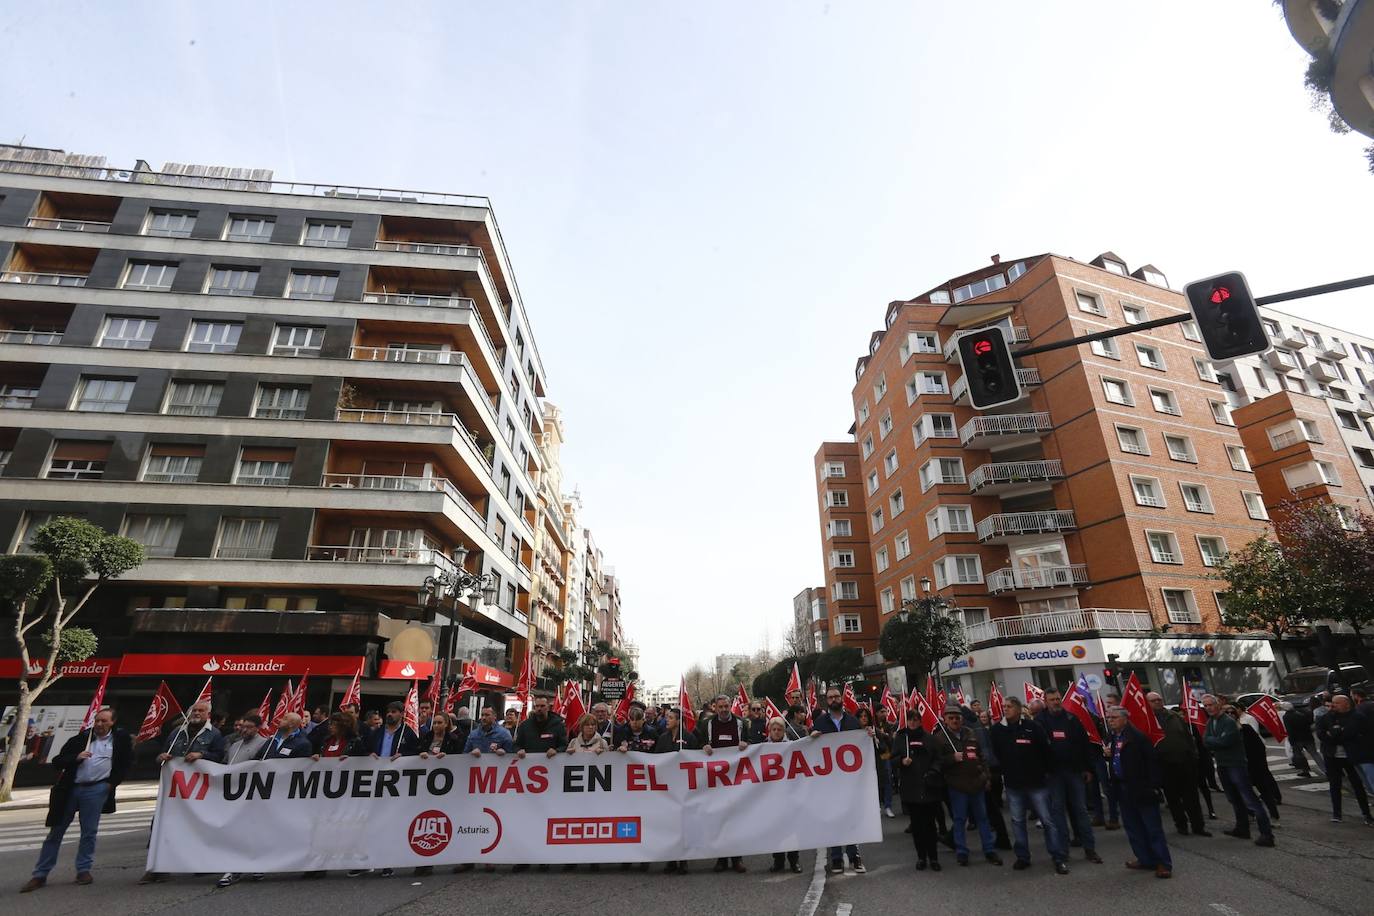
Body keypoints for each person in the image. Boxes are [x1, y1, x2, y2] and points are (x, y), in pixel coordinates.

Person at [22, 707, 132, 893]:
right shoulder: (81, 739)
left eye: (104, 721)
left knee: (89, 832)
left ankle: (83, 870)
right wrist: (76, 758)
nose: (99, 724)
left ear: (113, 722)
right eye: (97, 720)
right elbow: (58, 761)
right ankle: (40, 874)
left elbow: (125, 764)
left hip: (97, 788)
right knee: (56, 832)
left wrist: (111, 784)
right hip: (71, 789)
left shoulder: (119, 741)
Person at [141, 702, 225, 885]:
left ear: (207, 715)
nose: (196, 713)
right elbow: (164, 752)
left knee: (197, 826)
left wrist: (202, 756)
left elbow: (220, 757)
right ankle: (156, 867)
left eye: (201, 711)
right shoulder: (177, 732)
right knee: (160, 824)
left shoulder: (215, 735)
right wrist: (162, 757)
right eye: (194, 710)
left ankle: (199, 864)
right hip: (174, 790)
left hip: (199, 791)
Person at [992, 697, 1066, 874]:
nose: (1005, 709)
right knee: (1017, 821)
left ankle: (1058, 856)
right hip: (1013, 784)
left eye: (1009, 706)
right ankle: (1022, 856)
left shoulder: (1033, 727)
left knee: (1047, 821)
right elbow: (997, 753)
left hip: (1036, 783)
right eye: (1004, 706)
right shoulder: (997, 730)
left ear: (1018, 709)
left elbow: (1046, 751)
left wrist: (1045, 772)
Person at [1104, 707, 1172, 878]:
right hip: (1122, 788)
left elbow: (1152, 762)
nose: (1110, 720)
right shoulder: (1113, 737)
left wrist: (1153, 786)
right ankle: (1144, 858)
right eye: (1108, 717)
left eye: (1114, 717)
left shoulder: (1137, 737)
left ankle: (1163, 863)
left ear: (1125, 719)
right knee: (1133, 827)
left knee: (1152, 828)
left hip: (1141, 788)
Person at [1036, 690, 1102, 863]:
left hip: (1074, 772)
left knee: (1081, 810)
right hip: (1053, 774)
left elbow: (1084, 745)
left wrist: (1088, 768)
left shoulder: (1072, 719)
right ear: (1046, 702)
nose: (1056, 702)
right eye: (1052, 700)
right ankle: (1062, 851)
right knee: (1057, 812)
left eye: (1058, 699)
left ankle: (1090, 849)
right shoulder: (1039, 721)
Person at [1201, 695, 1274, 847]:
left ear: (1217, 705)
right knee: (1234, 798)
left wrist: (1213, 741)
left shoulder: (1228, 722)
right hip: (1222, 764)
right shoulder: (1211, 722)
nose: (1208, 708)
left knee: (1250, 799)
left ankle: (1267, 834)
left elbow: (1225, 741)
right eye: (1205, 706)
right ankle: (1242, 828)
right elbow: (1205, 741)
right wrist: (1214, 741)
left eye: (1210, 705)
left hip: (1236, 764)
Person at [936, 706, 1001, 868]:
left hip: (977, 784)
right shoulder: (940, 738)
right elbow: (937, 762)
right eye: (951, 718)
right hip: (957, 786)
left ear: (962, 719)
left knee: (983, 819)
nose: (954, 720)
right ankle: (962, 852)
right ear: (945, 719)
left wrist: (986, 776)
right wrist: (951, 758)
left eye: (957, 717)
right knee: (959, 820)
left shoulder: (970, 733)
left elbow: (981, 757)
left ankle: (989, 850)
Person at [811, 687, 867, 875]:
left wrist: (868, 738)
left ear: (841, 699)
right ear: (826, 701)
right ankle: (836, 858)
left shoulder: (853, 721)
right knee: (833, 818)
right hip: (829, 782)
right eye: (830, 697)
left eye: (836, 696)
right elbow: (811, 750)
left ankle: (854, 856)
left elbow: (861, 747)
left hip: (849, 781)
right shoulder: (819, 722)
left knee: (850, 818)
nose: (834, 699)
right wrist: (811, 738)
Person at [697, 694, 750, 873]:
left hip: (736, 779)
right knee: (719, 819)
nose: (724, 710)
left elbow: (754, 746)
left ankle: (737, 858)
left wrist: (747, 743)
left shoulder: (742, 723)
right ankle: (721, 859)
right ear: (715, 707)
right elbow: (698, 744)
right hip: (715, 780)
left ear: (730, 706)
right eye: (720, 707)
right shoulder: (707, 724)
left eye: (726, 706)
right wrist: (703, 746)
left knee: (735, 820)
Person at [1146, 693, 1209, 837]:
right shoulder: (1147, 720)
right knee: (1173, 798)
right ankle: (1181, 825)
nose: (1157, 702)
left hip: (1185, 762)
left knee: (1192, 797)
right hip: (1164, 765)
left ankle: (1198, 826)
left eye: (1159, 700)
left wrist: (1194, 756)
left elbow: (1188, 736)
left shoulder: (1174, 716)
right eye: (1153, 701)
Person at [894, 711, 943, 871]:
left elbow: (938, 758)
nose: (913, 723)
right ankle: (921, 857)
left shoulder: (930, 738)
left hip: (929, 788)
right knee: (917, 826)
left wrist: (933, 771)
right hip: (911, 789)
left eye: (916, 720)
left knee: (930, 826)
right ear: (906, 721)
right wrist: (902, 761)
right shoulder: (901, 738)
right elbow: (892, 759)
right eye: (910, 720)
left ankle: (933, 857)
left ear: (920, 721)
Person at [1314, 694, 1372, 824]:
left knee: (1358, 785)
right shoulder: (1326, 717)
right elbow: (1321, 734)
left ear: (1347, 704)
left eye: (1337, 703)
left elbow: (1353, 734)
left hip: (1351, 755)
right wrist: (1336, 734)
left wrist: (1336, 734)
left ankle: (1366, 814)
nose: (1333, 706)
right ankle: (1337, 813)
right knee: (1335, 785)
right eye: (1332, 703)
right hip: (1331, 755)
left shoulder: (1356, 716)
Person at [652, 708, 695, 875]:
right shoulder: (663, 738)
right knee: (669, 824)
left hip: (684, 787)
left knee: (683, 824)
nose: (666, 720)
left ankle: (683, 860)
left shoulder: (689, 737)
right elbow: (656, 759)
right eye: (667, 717)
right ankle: (671, 859)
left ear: (678, 720)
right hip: (667, 787)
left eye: (670, 718)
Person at [764, 717, 805, 874]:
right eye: (773, 729)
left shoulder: (791, 746)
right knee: (775, 830)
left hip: (789, 795)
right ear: (770, 731)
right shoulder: (763, 747)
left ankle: (794, 861)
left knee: (791, 829)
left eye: (779, 729)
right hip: (771, 797)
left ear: (784, 731)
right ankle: (778, 861)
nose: (776, 732)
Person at [1232, 706, 1282, 823]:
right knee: (1244, 792)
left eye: (1232, 713)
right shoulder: (1227, 732)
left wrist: (1259, 764)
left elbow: (1258, 746)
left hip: (1254, 766)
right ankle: (1251, 814)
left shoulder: (1246, 728)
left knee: (1264, 790)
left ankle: (1273, 815)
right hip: (1240, 767)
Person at [973, 709, 1012, 850]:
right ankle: (1002, 838)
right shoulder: (978, 727)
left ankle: (1001, 839)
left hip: (986, 772)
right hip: (989, 771)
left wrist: (986, 773)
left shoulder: (975, 729)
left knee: (990, 807)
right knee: (990, 807)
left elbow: (985, 753)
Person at [857, 707, 894, 818]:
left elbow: (884, 748)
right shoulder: (855, 732)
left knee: (886, 782)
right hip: (864, 764)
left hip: (878, 761)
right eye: (861, 716)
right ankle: (875, 805)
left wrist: (876, 739)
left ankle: (887, 806)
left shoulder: (875, 730)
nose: (863, 718)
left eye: (865, 716)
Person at [515, 695, 567, 760]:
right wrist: (519, 750)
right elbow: (516, 745)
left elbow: (564, 745)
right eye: (537, 706)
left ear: (548, 707)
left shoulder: (558, 725)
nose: (539, 709)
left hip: (551, 763)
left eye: (542, 706)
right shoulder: (525, 725)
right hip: (528, 764)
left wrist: (556, 750)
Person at [1282, 698, 1322, 778]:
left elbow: (1290, 730)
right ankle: (1326, 770)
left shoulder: (1287, 717)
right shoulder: (1301, 714)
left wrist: (1292, 741)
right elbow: (1308, 725)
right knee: (1315, 754)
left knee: (1300, 756)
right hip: (1308, 737)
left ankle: (1305, 771)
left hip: (1297, 740)